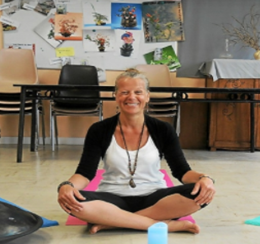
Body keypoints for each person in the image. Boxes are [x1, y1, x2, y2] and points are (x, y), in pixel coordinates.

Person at [57, 68, 216, 234]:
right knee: (72, 200)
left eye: (138, 92)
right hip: (112, 198)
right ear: (116, 95)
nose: (131, 97)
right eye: (124, 92)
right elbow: (85, 173)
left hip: (155, 198)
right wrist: (67, 186)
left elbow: (182, 171)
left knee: (197, 192)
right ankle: (161, 225)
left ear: (147, 96)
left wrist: (205, 179)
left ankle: (113, 222)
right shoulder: (99, 130)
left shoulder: (163, 129)